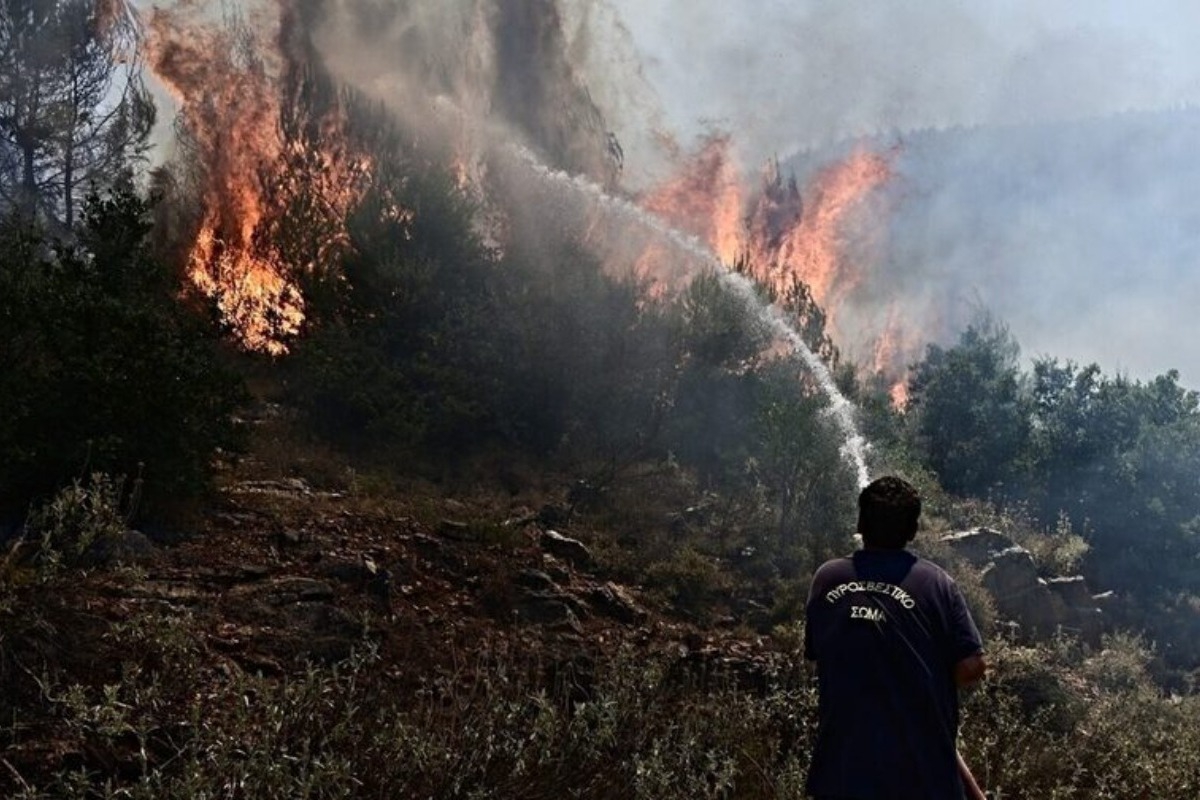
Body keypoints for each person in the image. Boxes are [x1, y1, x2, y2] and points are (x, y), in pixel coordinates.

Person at [804, 475, 987, 800]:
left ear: (860, 522)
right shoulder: (936, 583)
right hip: (922, 782)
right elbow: (972, 666)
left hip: (840, 776)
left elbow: (821, 651)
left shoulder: (827, 579)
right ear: (913, 530)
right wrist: (925, 679)